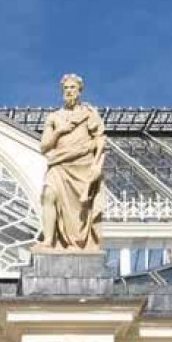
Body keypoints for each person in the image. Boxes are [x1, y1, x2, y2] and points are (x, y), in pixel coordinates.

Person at [37, 73, 105, 251]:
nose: (69, 91)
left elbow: (100, 140)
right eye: (66, 88)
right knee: (48, 195)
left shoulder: (89, 114)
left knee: (76, 210)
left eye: (72, 88)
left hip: (82, 165)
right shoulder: (54, 117)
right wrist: (59, 131)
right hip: (59, 164)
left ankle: (74, 242)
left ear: (79, 91)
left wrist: (97, 164)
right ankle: (48, 241)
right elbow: (44, 146)